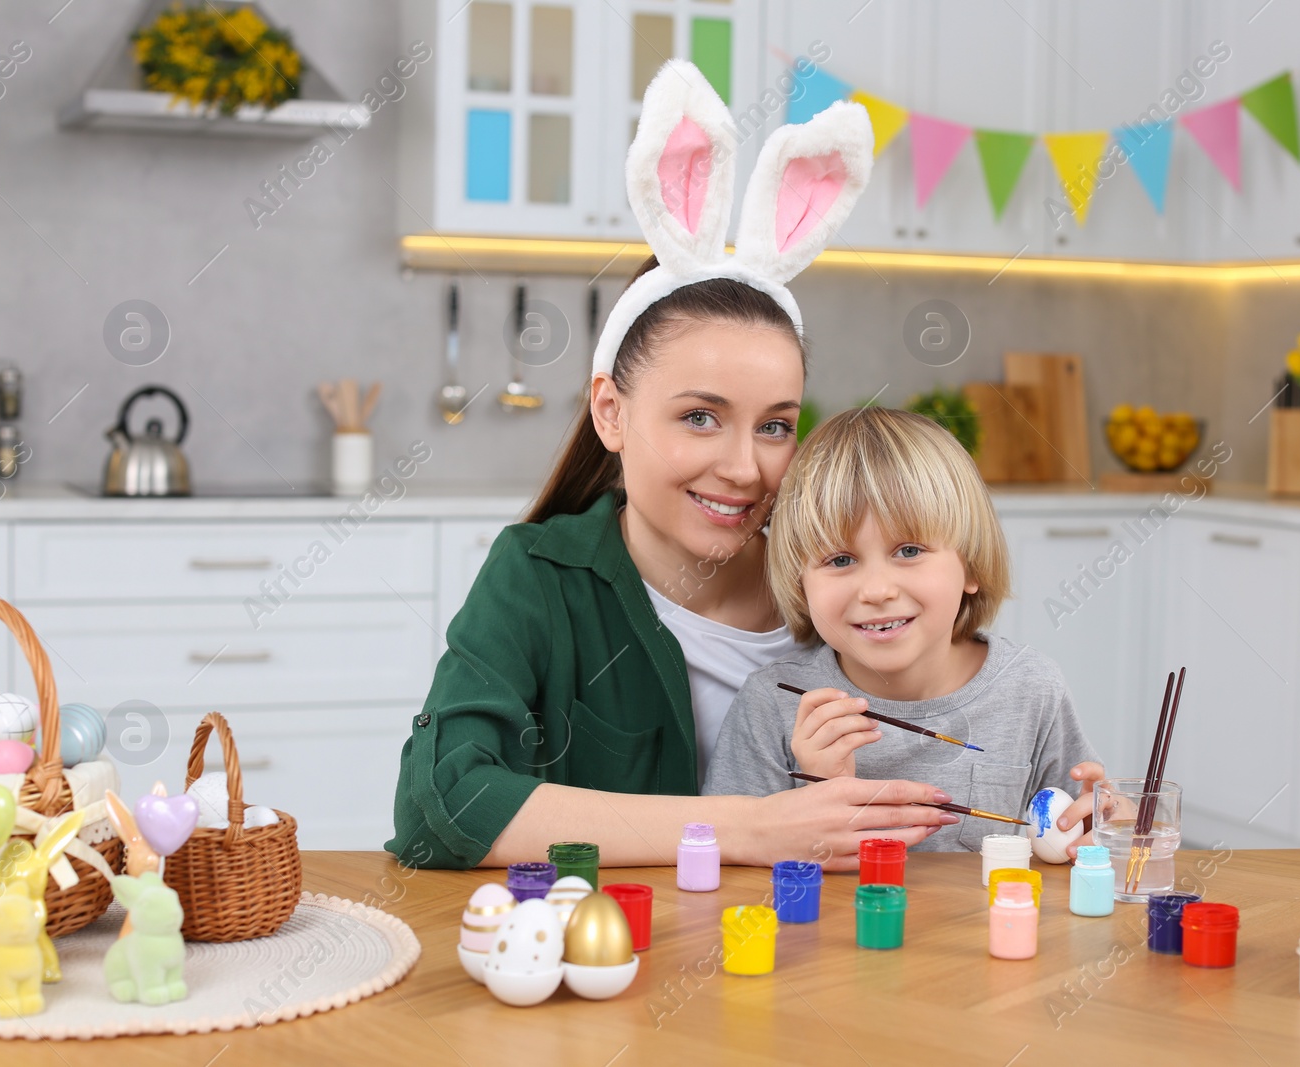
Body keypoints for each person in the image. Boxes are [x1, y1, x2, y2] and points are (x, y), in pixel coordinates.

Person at [388, 60, 957, 870]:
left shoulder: (837, 580)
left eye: (775, 426)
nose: (744, 467)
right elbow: (440, 805)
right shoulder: (539, 579)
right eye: (700, 417)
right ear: (610, 412)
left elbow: (964, 731)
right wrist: (754, 829)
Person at [704, 407, 1105, 856]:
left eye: (909, 550)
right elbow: (723, 864)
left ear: (970, 564)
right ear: (801, 583)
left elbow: (1077, 837)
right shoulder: (775, 702)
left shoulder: (1031, 689)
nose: (876, 590)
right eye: (840, 560)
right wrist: (821, 786)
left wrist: (1101, 833)